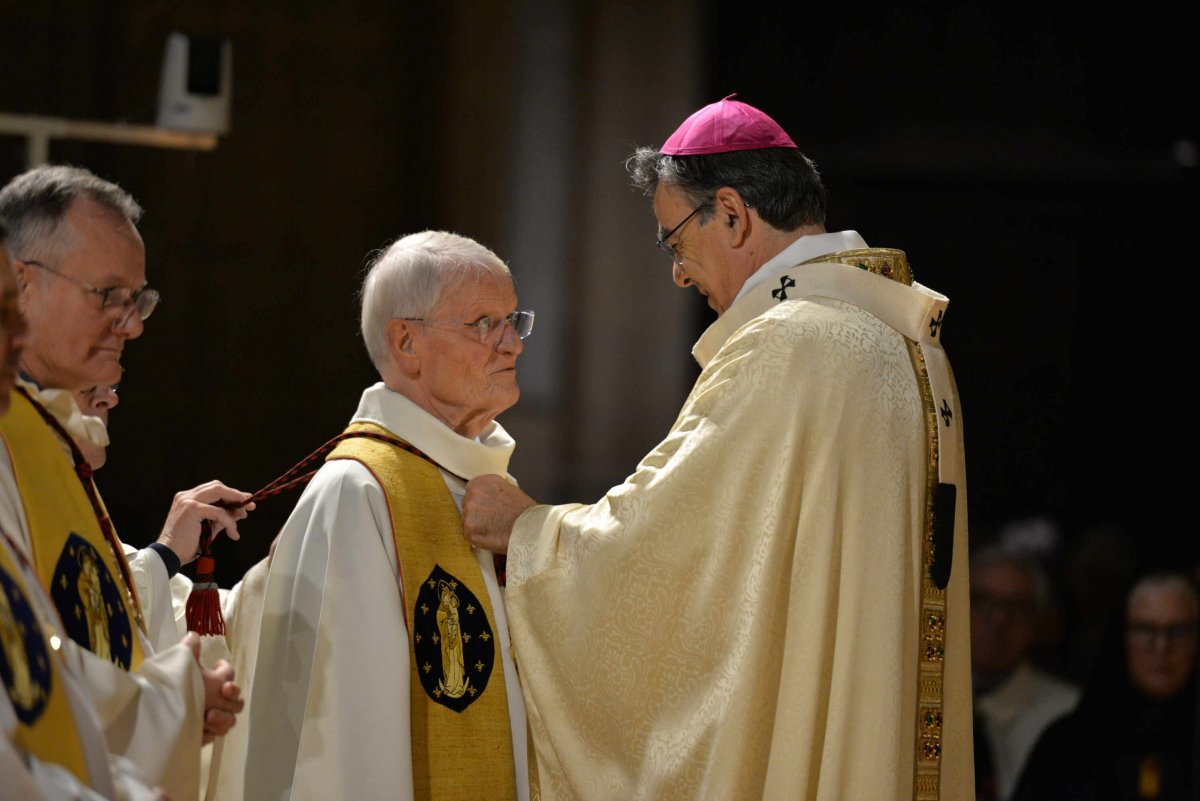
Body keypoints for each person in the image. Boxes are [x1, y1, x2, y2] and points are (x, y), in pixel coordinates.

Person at [462, 95, 973, 799]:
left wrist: (527, 534)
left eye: (674, 241)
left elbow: (662, 550)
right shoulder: (907, 343)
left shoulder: (786, 345)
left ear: (731, 213)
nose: (677, 272)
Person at [246, 231, 534, 800]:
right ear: (407, 343)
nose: (513, 346)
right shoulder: (358, 490)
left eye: (513, 321)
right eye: (484, 324)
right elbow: (340, 737)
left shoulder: (487, 484)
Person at [0, 165, 245, 799]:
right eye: (107, 294)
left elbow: (64, 621)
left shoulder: (47, 433)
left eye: (137, 299)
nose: (131, 324)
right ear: (21, 284)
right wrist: (171, 702)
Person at [1012, 571, 1199, 800]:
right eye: (1145, 629)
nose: (1161, 647)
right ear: (1122, 638)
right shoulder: (1067, 744)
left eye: (1177, 631)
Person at [971, 545, 1079, 801]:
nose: (998, 619)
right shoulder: (918, 701)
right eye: (980, 600)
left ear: (1037, 623)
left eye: (1015, 606)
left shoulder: (1068, 713)